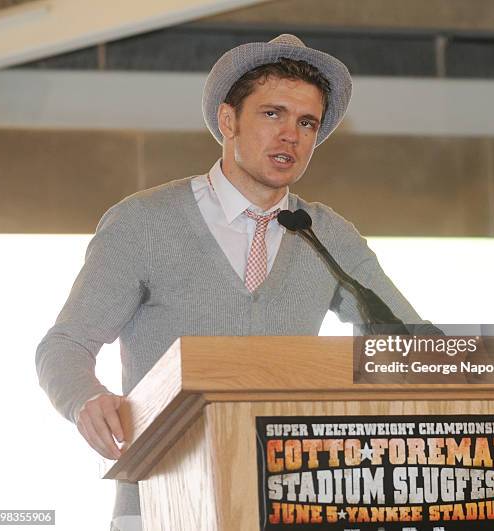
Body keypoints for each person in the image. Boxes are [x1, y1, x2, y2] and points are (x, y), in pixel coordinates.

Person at [35, 34, 438, 531]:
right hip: (161, 502)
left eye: (306, 123)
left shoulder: (327, 235)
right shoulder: (145, 221)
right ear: (228, 121)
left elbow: (414, 345)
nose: (290, 135)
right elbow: (65, 345)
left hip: (293, 502)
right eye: (273, 114)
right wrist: (86, 399)